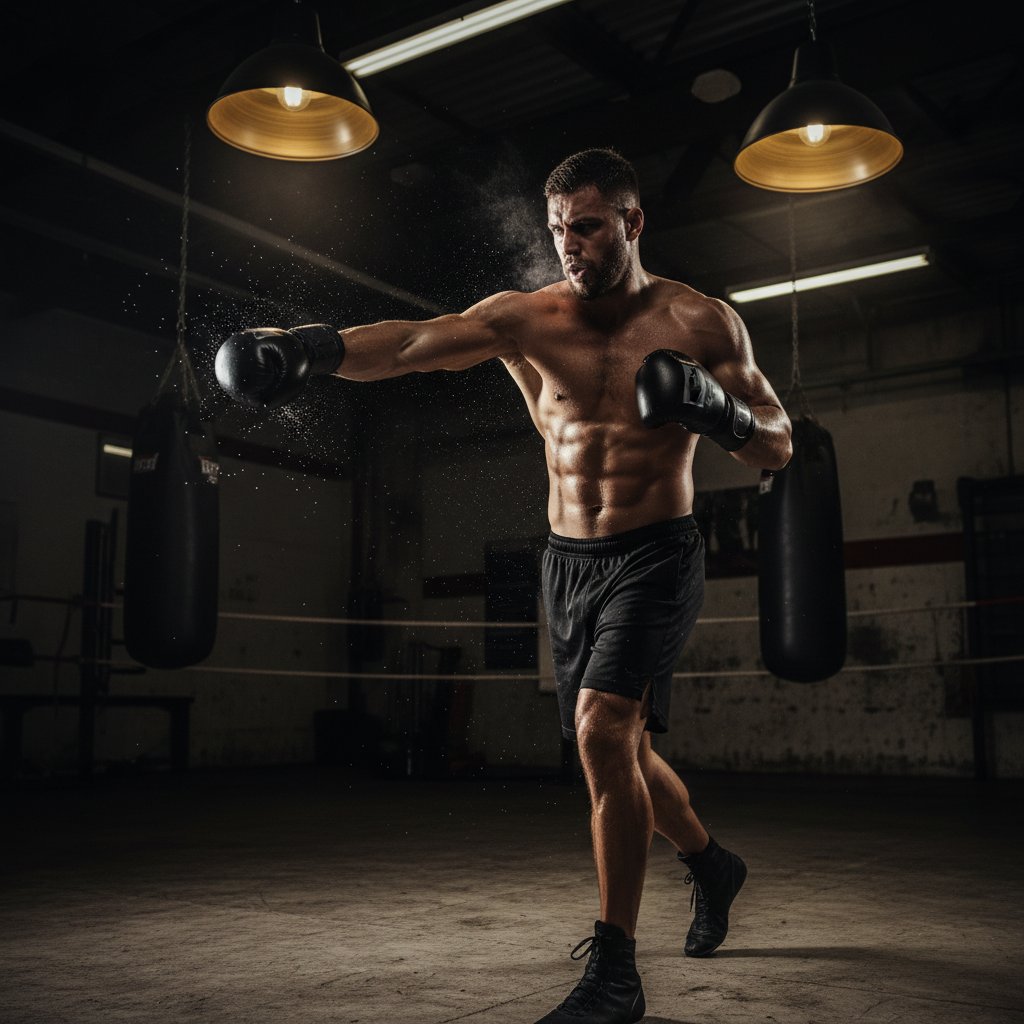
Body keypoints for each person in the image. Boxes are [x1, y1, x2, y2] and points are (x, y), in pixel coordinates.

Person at [215, 148, 793, 1024]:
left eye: (588, 227)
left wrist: (717, 411)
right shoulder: (526, 319)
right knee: (625, 751)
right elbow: (412, 345)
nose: (570, 245)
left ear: (632, 224)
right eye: (559, 228)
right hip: (569, 561)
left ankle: (615, 973)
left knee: (603, 730)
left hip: (656, 553)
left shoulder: (703, 322)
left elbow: (779, 444)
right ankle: (713, 864)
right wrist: (309, 351)